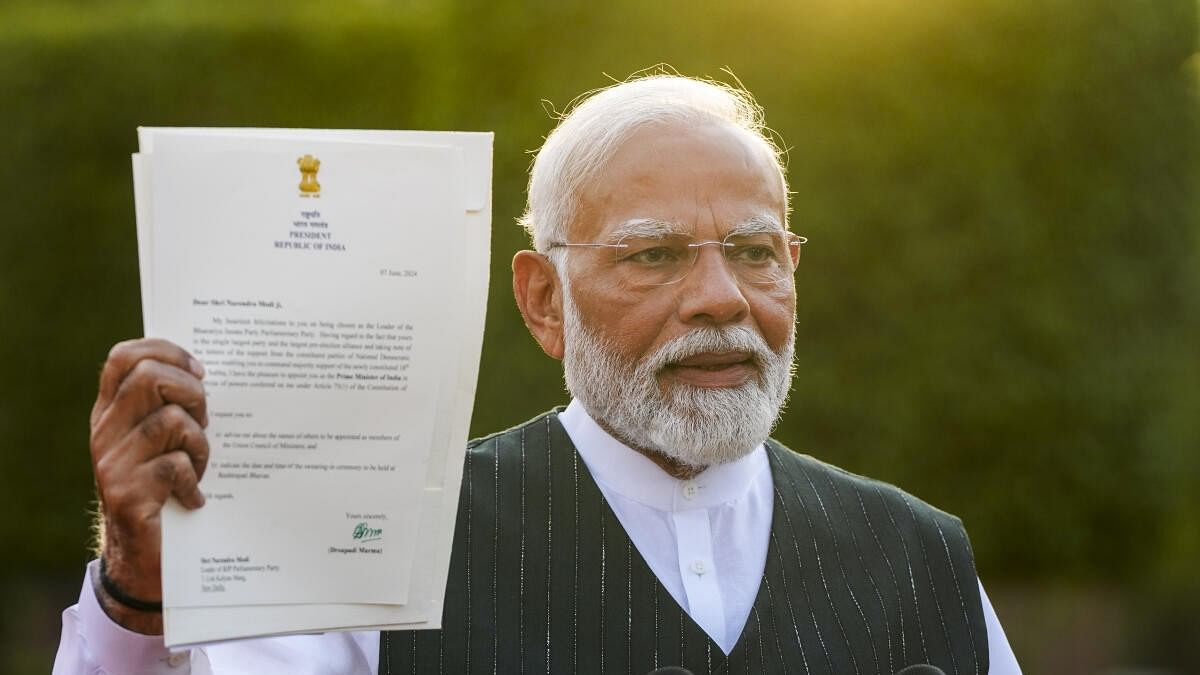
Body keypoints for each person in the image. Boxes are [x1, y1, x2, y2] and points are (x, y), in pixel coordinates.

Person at [54, 74, 1021, 674]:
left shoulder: (920, 553)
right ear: (543, 301)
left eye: (756, 250)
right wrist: (141, 588)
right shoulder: (388, 541)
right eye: (655, 255)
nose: (724, 296)